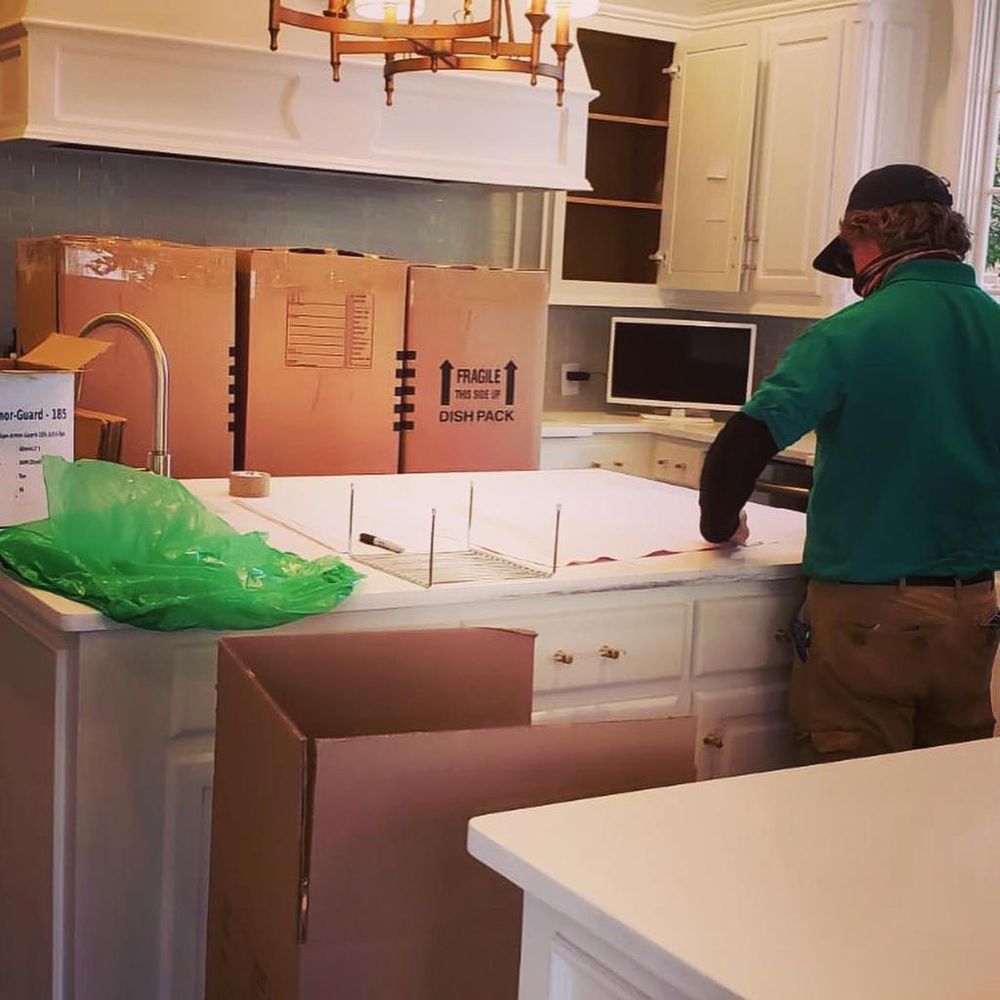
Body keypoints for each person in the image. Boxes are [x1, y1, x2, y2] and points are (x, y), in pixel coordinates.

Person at [699, 163, 1000, 763]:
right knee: (947, 788)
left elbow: (743, 442)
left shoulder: (850, 334)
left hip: (869, 612)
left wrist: (721, 525)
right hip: (974, 612)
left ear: (869, 236)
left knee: (849, 793)